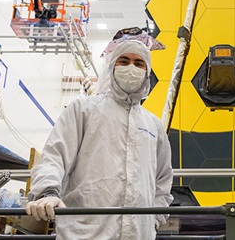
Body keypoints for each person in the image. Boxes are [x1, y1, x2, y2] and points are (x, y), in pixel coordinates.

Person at [26, 40, 174, 239]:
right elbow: (55, 157)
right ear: (112, 67)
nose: (131, 67)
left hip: (139, 234)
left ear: (147, 73)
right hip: (85, 232)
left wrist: (153, 220)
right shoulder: (83, 110)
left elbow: (163, 181)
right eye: (124, 61)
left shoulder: (153, 125)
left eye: (139, 63)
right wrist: (47, 192)